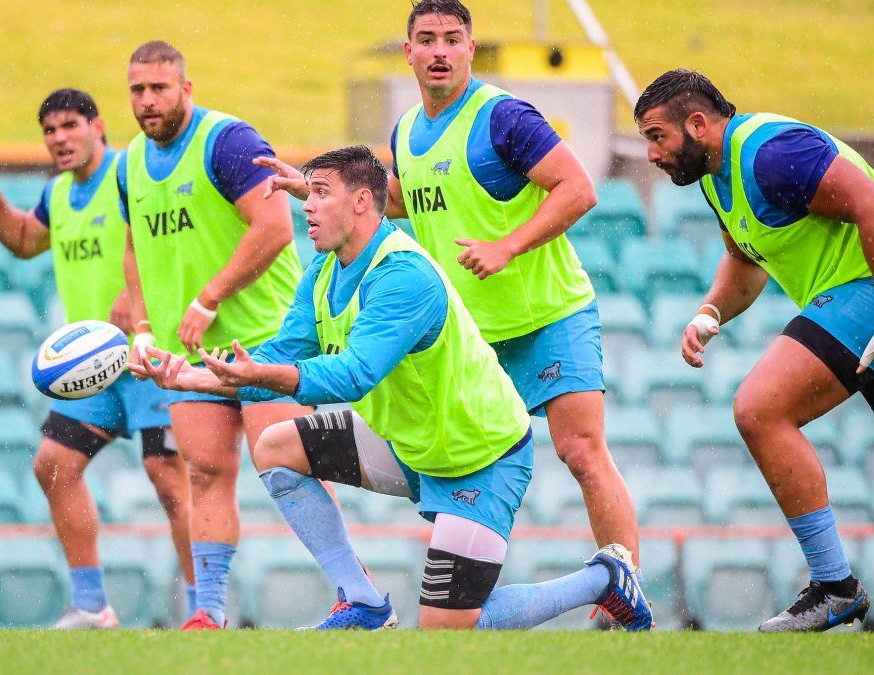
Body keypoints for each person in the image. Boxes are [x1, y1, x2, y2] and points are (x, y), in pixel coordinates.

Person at [130, 145, 653, 631]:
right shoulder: (323, 270)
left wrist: (255, 376)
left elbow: (354, 374)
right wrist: (190, 376)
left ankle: (604, 579)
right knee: (276, 448)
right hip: (408, 443)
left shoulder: (402, 275)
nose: (305, 205)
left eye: (320, 192)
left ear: (362, 201)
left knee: (450, 629)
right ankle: (361, 600)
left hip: (479, 457)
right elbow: (280, 353)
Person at [256, 0, 643, 581]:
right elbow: (398, 200)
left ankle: (630, 599)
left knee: (582, 452)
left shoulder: (504, 117)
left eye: (453, 39)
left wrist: (507, 246)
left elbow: (578, 188)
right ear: (408, 51)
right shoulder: (407, 130)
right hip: (473, 337)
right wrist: (313, 189)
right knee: (453, 460)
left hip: (548, 318)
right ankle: (443, 600)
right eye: (428, 39)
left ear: (470, 48)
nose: (440, 51)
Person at [635, 68, 873, 632]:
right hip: (847, 296)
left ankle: (835, 588)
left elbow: (870, 201)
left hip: (862, 288)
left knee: (760, 408)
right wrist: (710, 311)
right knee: (761, 411)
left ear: (698, 125)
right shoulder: (716, 177)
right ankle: (835, 588)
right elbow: (745, 261)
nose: (650, 154)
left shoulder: (771, 153)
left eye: (657, 136)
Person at [0, 89, 193, 629]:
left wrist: (135, 296)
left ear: (98, 126)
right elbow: (24, 240)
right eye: (49, 130)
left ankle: (204, 607)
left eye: (70, 125)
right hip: (95, 367)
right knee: (54, 465)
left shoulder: (131, 174)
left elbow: (174, 239)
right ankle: (91, 605)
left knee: (168, 477)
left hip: (149, 352)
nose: (59, 138)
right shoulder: (59, 194)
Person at [118, 41, 314, 629]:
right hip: (190, 352)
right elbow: (134, 249)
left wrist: (209, 298)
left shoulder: (228, 141)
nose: (148, 100)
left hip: (267, 338)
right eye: (137, 90)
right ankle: (209, 613)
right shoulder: (129, 163)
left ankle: (357, 598)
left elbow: (275, 227)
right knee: (203, 474)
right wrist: (143, 328)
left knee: (290, 468)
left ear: (186, 88)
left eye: (159, 88)